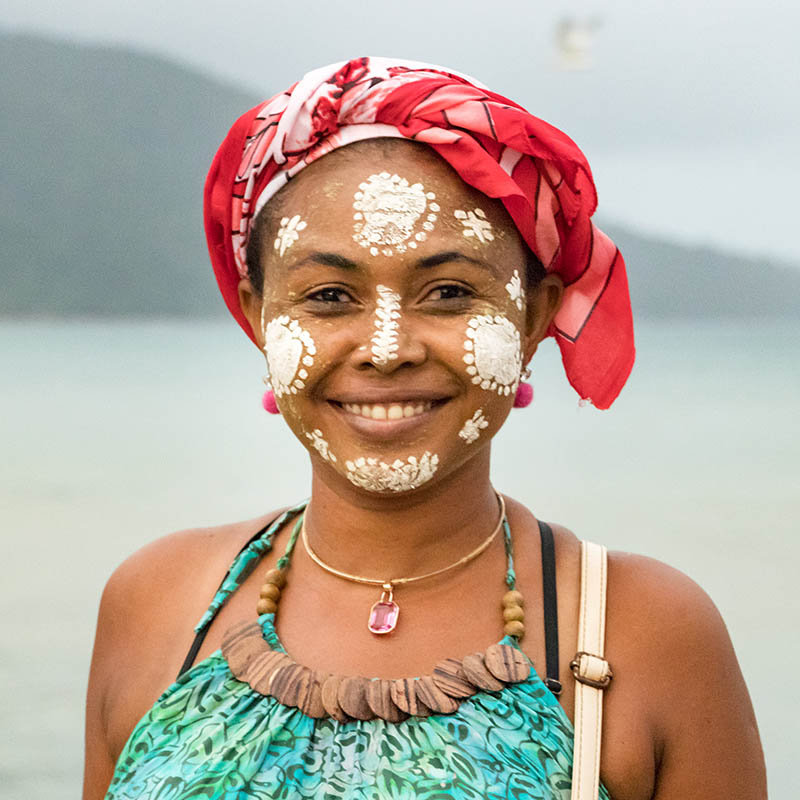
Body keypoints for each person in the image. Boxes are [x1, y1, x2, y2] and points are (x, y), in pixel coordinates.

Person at [83, 57, 766, 800]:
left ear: (534, 316)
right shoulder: (157, 603)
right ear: (258, 315)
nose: (386, 348)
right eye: (330, 295)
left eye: (447, 292)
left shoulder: (643, 636)